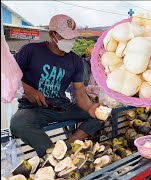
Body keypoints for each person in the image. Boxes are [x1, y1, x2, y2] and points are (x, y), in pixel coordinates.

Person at [10, 14, 103, 158]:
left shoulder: (76, 61)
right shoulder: (30, 50)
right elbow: (10, 76)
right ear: (52, 34)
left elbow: (79, 93)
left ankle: (68, 146)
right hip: (33, 109)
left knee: (100, 116)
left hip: (62, 107)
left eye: (72, 37)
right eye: (65, 37)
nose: (70, 41)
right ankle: (52, 155)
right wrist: (27, 89)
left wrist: (91, 109)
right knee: (18, 123)